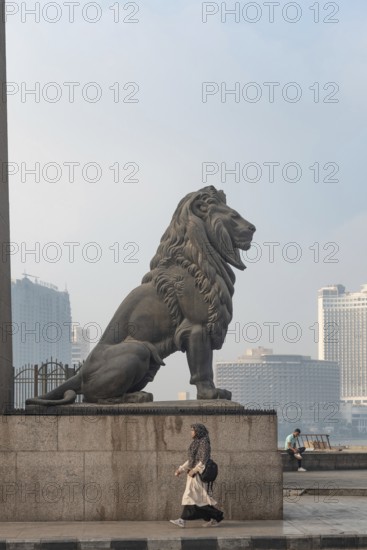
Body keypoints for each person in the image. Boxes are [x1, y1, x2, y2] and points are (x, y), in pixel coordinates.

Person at [170, 423, 224, 528]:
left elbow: (203, 460)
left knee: (191, 497)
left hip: (198, 475)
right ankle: (216, 517)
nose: (191, 432)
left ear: (198, 431)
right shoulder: (196, 442)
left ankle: (182, 520)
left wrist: (194, 470)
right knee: (199, 500)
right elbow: (192, 460)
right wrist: (181, 469)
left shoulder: (204, 443)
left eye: (193, 430)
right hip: (193, 475)